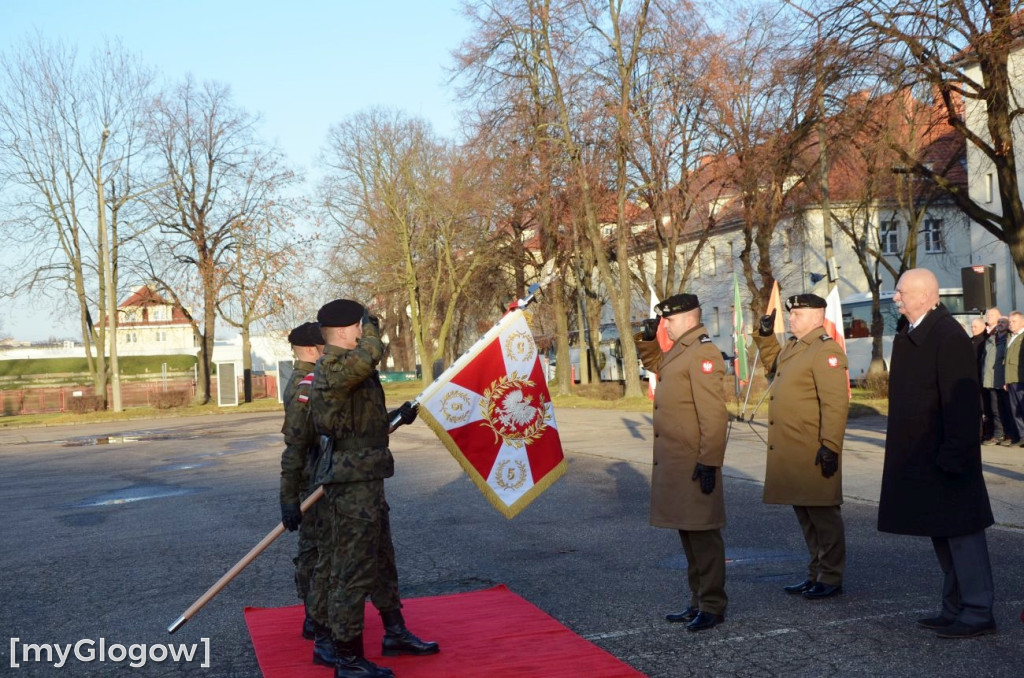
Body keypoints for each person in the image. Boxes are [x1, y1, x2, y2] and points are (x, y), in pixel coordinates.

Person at [308, 299, 436, 678]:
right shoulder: (333, 365)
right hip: (351, 485)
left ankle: (394, 632)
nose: (365, 333)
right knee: (352, 571)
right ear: (348, 330)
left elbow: (360, 425)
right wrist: (374, 326)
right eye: (360, 327)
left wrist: (395, 418)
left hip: (366, 477)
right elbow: (369, 356)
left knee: (380, 559)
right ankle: (348, 658)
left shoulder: (348, 369)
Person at [878, 268, 996, 639]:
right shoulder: (912, 333)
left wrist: (956, 455)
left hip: (947, 456)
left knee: (963, 534)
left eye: (901, 292)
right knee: (942, 533)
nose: (895, 298)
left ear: (926, 296)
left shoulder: (947, 336)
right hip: (922, 455)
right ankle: (954, 607)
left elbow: (961, 403)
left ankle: (978, 612)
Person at [635, 293, 729, 633]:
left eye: (668, 320)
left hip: (695, 462)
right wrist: (647, 342)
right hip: (679, 462)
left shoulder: (703, 353)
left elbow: (715, 416)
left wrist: (709, 461)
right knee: (689, 536)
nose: (665, 326)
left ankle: (713, 605)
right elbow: (659, 366)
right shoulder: (681, 351)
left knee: (704, 537)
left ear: (689, 318)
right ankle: (697, 601)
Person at [752, 293, 849, 600]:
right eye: (791, 313)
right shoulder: (795, 347)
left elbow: (836, 403)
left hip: (813, 449)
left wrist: (831, 446)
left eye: (797, 314)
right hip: (794, 450)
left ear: (817, 317)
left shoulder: (825, 350)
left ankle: (831, 576)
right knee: (806, 517)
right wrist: (766, 338)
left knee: (824, 517)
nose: (790, 318)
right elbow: (774, 367)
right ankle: (814, 574)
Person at [279, 321, 325, 640]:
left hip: (327, 476)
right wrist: (289, 498)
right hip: (313, 482)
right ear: (310, 349)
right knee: (313, 549)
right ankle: (313, 616)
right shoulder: (303, 385)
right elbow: (295, 447)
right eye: (325, 344)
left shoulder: (317, 379)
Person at [980, 308, 1016, 444]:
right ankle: (998, 434)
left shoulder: (1009, 340)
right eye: (999, 322)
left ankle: (1011, 435)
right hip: (991, 380)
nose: (1000, 324)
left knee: (1007, 409)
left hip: (1004, 380)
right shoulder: (991, 340)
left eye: (1003, 322)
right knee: (995, 410)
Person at [1003, 311, 1024, 447]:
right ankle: (1022, 436)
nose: (1011, 324)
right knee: (1015, 410)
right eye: (1010, 322)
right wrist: (1006, 380)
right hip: (1011, 379)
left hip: (1021, 378)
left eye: (1014, 321)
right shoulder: (1010, 337)